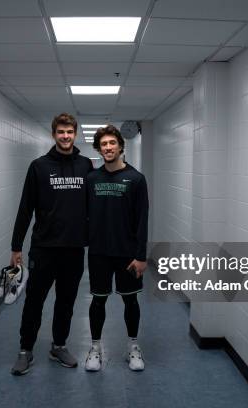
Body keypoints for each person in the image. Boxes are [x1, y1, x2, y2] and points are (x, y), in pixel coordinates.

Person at [9, 113, 93, 376]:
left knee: (66, 302)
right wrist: (16, 246)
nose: (65, 136)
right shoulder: (39, 166)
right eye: (61, 132)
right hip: (44, 248)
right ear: (53, 134)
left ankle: (59, 346)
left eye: (69, 132)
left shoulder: (85, 166)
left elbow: (94, 207)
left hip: (73, 249)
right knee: (35, 300)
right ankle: (25, 350)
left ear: (75, 134)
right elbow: (25, 208)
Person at [84, 125, 149, 372]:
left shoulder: (136, 179)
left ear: (121, 146)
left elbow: (142, 220)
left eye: (112, 143)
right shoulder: (92, 179)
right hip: (99, 253)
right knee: (97, 302)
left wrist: (141, 256)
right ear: (99, 149)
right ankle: (95, 348)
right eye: (103, 144)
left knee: (130, 302)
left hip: (128, 255)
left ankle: (133, 347)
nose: (108, 148)